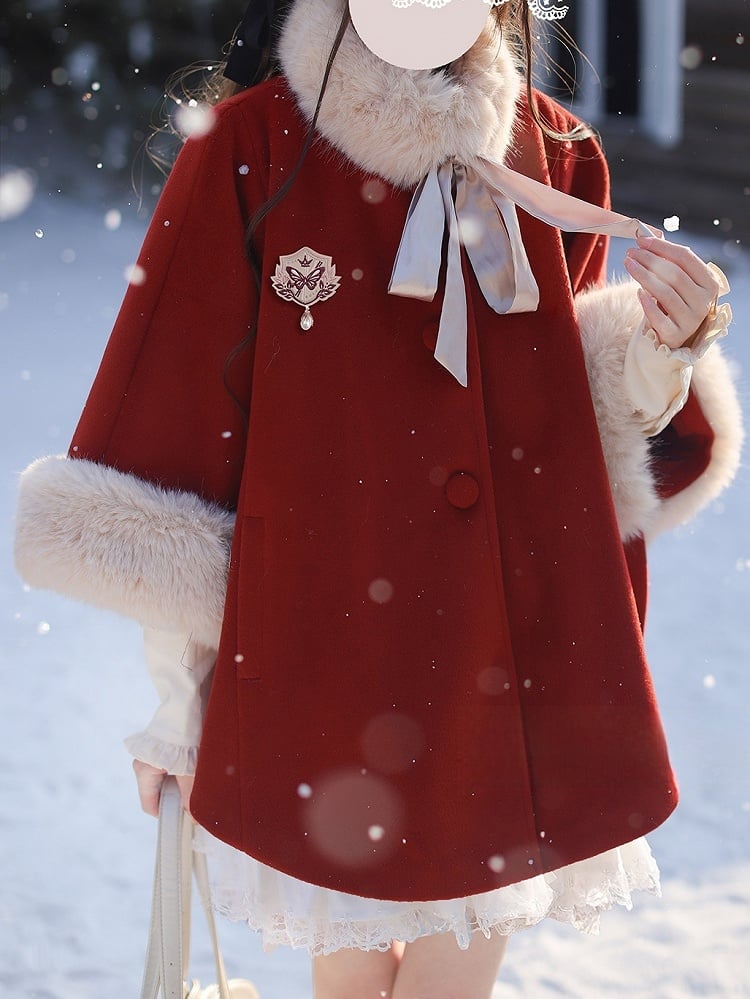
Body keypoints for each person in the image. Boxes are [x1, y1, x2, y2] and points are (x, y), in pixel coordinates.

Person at [14, 0, 743, 996]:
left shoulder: (560, 155)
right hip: (323, 672)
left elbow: (563, 422)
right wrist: (182, 709)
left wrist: (661, 351)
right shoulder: (252, 148)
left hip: (509, 666)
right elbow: (180, 449)